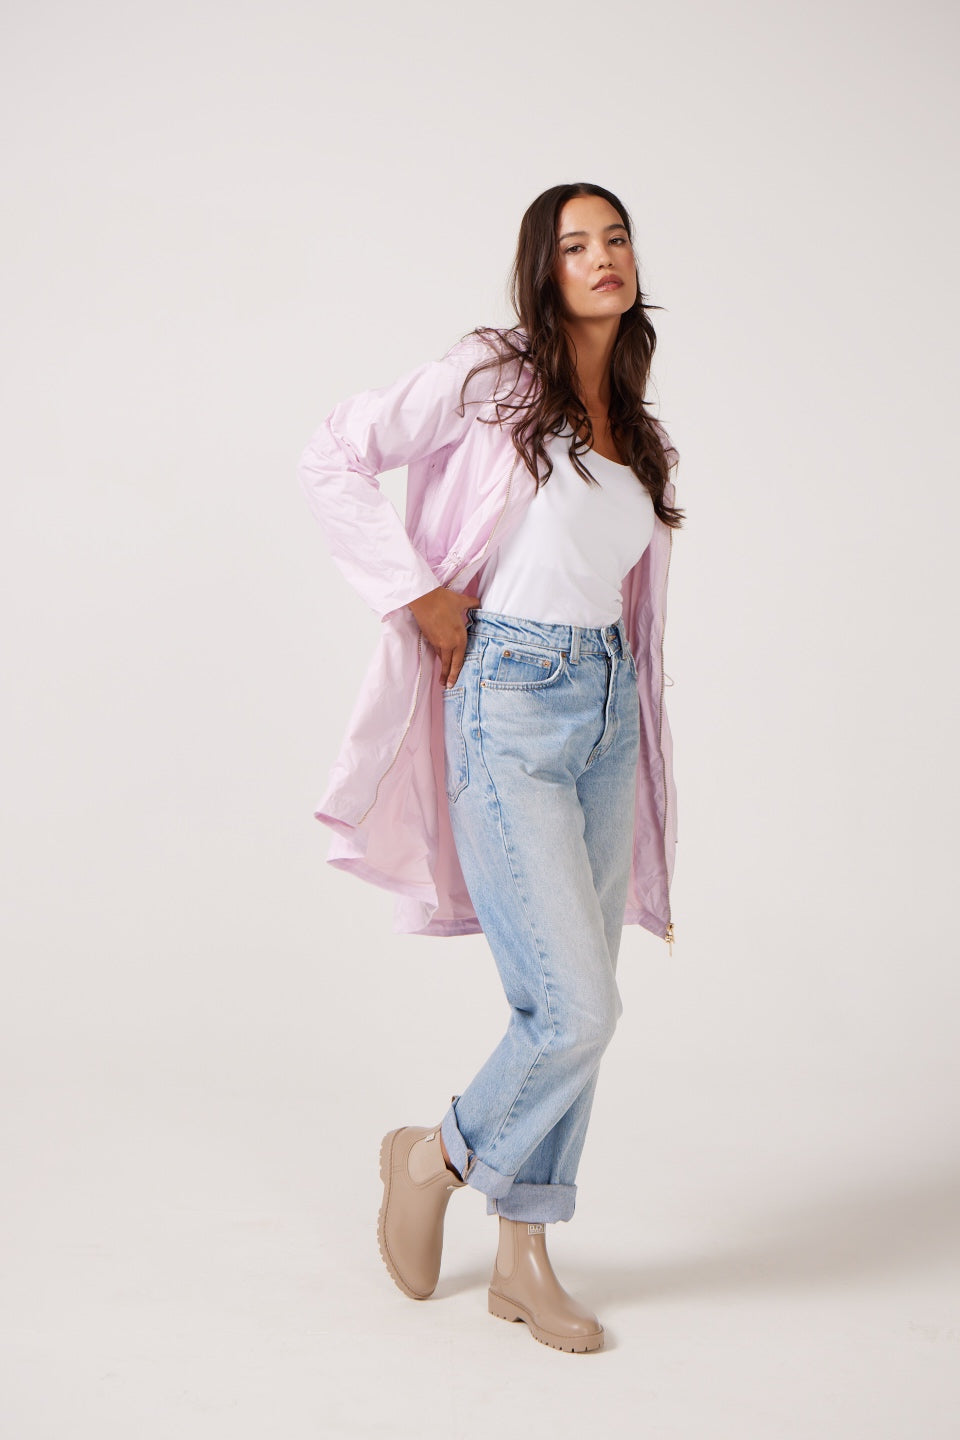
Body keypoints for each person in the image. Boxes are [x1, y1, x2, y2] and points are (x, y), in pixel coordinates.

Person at [297, 181, 684, 1353]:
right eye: (575, 244)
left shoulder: (636, 427)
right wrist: (417, 593)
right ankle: (431, 1159)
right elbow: (335, 454)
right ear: (543, 268)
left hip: (606, 711)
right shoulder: (493, 375)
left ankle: (523, 1259)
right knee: (578, 1008)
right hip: (508, 701)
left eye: (616, 237)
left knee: (564, 1005)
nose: (603, 256)